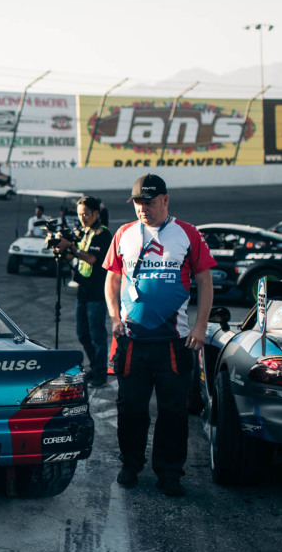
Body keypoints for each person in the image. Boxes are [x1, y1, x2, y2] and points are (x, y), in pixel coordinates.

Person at [103, 174, 215, 497]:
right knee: (131, 408)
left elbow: (205, 282)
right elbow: (111, 280)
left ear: (166, 200)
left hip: (173, 342)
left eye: (149, 202)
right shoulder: (123, 234)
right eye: (138, 202)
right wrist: (113, 318)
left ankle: (169, 473)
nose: (143, 209)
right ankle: (131, 464)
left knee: (173, 411)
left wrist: (200, 325)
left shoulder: (187, 234)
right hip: (133, 341)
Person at [57, 196, 113, 387]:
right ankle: (95, 366)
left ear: (96, 213)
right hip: (83, 291)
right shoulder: (84, 232)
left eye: (86, 214)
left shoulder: (103, 234)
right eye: (80, 215)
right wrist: (61, 250)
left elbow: (91, 259)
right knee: (82, 333)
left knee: (97, 335)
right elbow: (75, 257)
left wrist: (70, 246)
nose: (82, 218)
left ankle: (100, 373)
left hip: (97, 293)